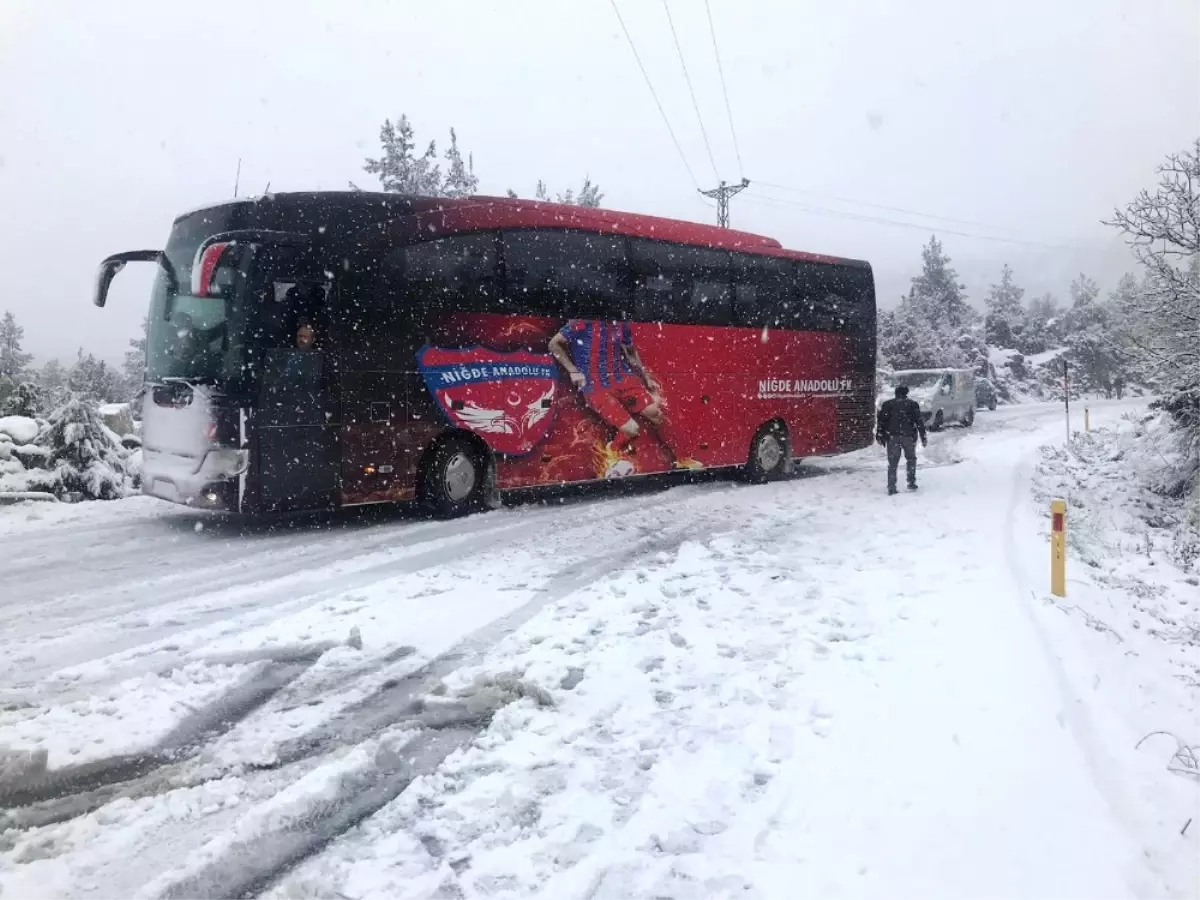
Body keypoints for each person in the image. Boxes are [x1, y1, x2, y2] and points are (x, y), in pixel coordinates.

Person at [548, 319, 701, 470]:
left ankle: (683, 459)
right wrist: (573, 371)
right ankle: (613, 450)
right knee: (632, 429)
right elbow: (553, 344)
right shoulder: (581, 322)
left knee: (656, 415)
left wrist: (646, 377)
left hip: (623, 378)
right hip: (595, 385)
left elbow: (631, 351)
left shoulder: (621, 324)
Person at [876, 384, 927, 495]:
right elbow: (919, 422)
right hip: (908, 436)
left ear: (896, 393)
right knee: (911, 459)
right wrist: (923, 436)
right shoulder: (912, 405)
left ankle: (891, 486)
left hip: (892, 437)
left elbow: (881, 421)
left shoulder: (888, 404)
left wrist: (880, 435)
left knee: (893, 463)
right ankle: (911, 482)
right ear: (906, 393)